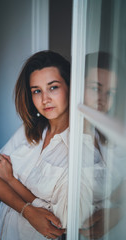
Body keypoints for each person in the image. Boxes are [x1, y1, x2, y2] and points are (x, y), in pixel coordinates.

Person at [0, 50, 70, 240]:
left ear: (70, 87)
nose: (45, 99)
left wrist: (10, 179)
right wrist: (27, 211)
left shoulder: (76, 146)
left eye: (53, 87)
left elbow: (60, 219)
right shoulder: (28, 130)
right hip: (5, 231)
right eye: (37, 91)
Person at [79, 52, 126, 240]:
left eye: (110, 93)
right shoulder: (62, 138)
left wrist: (119, 212)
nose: (103, 100)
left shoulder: (111, 134)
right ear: (77, 87)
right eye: (95, 88)